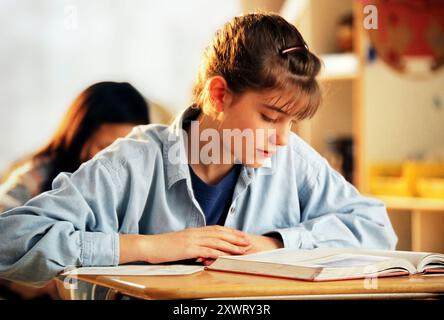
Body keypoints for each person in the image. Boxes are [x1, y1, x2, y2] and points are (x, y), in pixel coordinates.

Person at [0, 13, 397, 294]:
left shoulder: (290, 157)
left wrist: (277, 245)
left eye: (292, 123)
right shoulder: (130, 163)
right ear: (219, 94)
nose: (282, 139)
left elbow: (376, 229)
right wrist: (147, 247)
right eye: (270, 117)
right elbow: (9, 241)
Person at [0, 81, 150, 298]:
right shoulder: (34, 178)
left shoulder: (143, 185)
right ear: (79, 138)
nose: (115, 162)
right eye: (105, 149)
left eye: (126, 152)